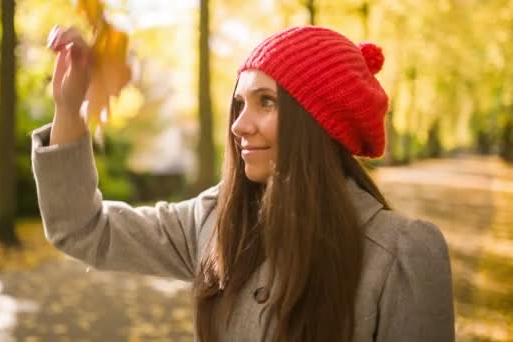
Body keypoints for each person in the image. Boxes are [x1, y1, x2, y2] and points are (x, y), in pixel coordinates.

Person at [32, 25, 455, 342]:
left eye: (266, 102)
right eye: (239, 103)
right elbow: (83, 229)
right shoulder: (214, 222)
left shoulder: (401, 252)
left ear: (319, 122)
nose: (238, 125)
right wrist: (69, 108)